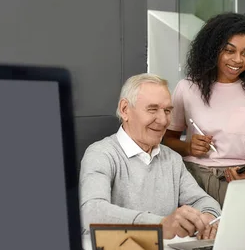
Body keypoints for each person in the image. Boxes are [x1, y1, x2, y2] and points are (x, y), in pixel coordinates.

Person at [162, 12, 245, 206]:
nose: (238, 60)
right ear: (213, 50)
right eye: (229, 51)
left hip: (238, 182)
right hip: (193, 181)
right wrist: (188, 147)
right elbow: (166, 140)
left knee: (239, 236)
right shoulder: (187, 88)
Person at [79, 73, 221, 240]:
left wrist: (209, 219)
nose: (163, 120)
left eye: (167, 111)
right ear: (125, 110)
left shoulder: (172, 159)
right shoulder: (101, 154)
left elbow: (203, 201)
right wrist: (160, 225)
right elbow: (92, 211)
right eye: (152, 109)